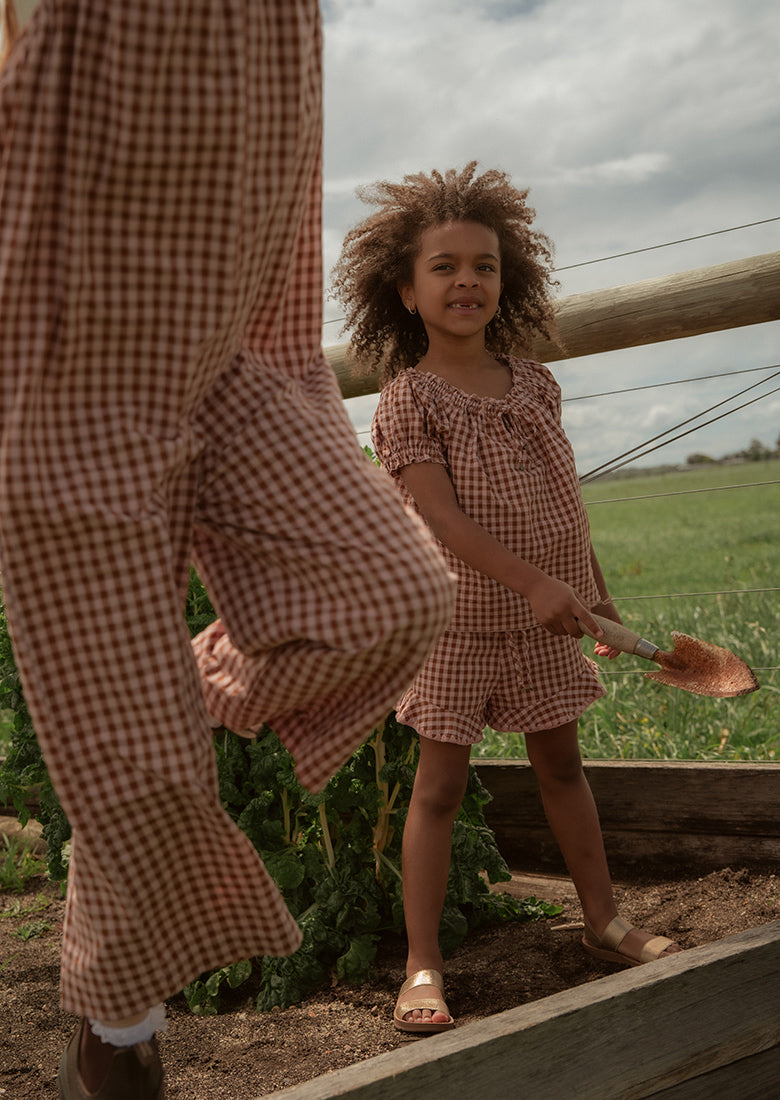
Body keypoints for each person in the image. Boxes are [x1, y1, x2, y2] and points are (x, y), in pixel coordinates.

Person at [0, 3, 454, 1096]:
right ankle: (119, 1033)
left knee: (398, 594)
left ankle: (158, 709)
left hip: (232, 359)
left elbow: (280, 187)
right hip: (67, 378)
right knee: (145, 773)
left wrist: (288, 356)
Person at [331, 163, 681, 1034]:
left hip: (546, 622)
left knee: (562, 768)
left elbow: (565, 501)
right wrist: (531, 582)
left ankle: (603, 923)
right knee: (439, 791)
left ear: (505, 279)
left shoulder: (535, 383)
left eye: (484, 266)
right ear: (405, 291)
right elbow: (440, 518)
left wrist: (597, 599)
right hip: (460, 628)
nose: (467, 281)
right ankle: (421, 964)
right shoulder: (408, 399)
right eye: (444, 266)